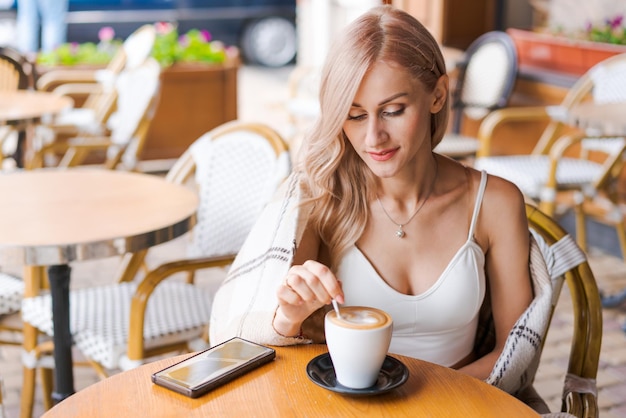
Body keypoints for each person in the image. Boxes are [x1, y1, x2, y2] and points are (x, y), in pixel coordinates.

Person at [210, 4, 552, 408]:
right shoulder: (320, 199)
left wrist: (420, 407)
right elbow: (272, 347)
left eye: (393, 111)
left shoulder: (495, 202)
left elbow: (513, 354)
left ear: (438, 95)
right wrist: (287, 314)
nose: (374, 137)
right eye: (354, 116)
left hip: (457, 406)